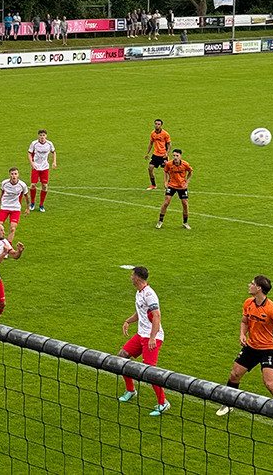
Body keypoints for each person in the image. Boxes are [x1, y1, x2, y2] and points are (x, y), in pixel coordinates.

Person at [216, 276, 273, 433]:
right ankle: (229, 404)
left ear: (259, 288)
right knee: (234, 375)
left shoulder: (272, 309)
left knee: (270, 383)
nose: (249, 285)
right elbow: (244, 321)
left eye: (252, 283)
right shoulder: (248, 303)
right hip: (251, 347)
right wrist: (242, 335)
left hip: (268, 350)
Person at [118, 266, 170, 416]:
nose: (130, 277)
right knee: (121, 357)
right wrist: (128, 321)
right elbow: (141, 312)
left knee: (150, 370)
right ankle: (130, 390)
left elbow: (157, 315)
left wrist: (152, 337)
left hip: (152, 337)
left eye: (132, 274)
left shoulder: (149, 294)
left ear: (137, 277)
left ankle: (163, 403)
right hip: (141, 335)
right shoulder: (139, 293)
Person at [156, 149, 192, 229]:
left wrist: (186, 182)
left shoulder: (185, 164)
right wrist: (165, 182)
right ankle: (160, 221)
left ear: (180, 156)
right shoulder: (169, 164)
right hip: (172, 185)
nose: (175, 157)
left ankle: (185, 222)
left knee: (185, 204)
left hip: (181, 186)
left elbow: (190, 172)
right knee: (166, 203)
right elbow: (165, 171)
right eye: (174, 155)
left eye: (177, 156)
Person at [0, 167, 31, 242]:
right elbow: (2, 193)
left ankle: (8, 247)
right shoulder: (4, 183)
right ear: (9, 175)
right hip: (4, 207)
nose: (14, 176)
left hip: (15, 208)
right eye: (12, 174)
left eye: (15, 174)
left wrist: (28, 208)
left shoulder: (22, 185)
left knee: (12, 228)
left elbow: (27, 196)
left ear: (18, 175)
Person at [27, 129, 57, 212]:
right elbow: (29, 153)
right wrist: (32, 164)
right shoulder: (34, 144)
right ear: (38, 136)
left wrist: (54, 162)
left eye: (43, 135)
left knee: (44, 186)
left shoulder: (49, 144)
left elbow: (53, 152)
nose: (42, 137)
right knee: (33, 185)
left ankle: (41, 205)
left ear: (46, 136)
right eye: (40, 135)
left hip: (45, 167)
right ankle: (32, 203)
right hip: (36, 167)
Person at [144, 118, 171, 190]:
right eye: (156, 124)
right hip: (155, 154)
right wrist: (147, 153)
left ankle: (171, 185)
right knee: (150, 168)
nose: (157, 125)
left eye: (158, 124)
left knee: (168, 171)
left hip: (163, 155)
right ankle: (153, 185)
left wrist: (167, 153)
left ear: (161, 125)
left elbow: (169, 144)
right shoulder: (153, 133)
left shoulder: (165, 134)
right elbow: (151, 144)